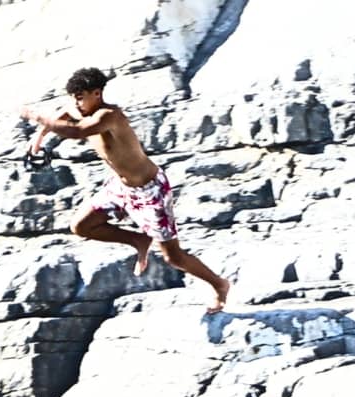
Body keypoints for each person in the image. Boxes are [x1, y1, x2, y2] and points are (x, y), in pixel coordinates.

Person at [20, 67, 231, 314]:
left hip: (150, 190)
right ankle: (138, 239)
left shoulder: (110, 116)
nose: (76, 103)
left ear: (96, 93)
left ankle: (220, 285)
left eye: (80, 96)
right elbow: (65, 115)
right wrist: (37, 140)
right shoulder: (82, 109)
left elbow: (77, 132)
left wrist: (36, 116)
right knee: (81, 226)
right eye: (74, 97)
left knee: (173, 257)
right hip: (121, 187)